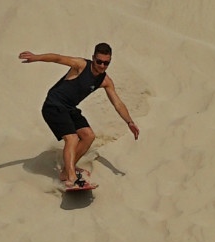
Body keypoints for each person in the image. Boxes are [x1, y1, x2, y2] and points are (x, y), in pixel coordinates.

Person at [18, 43, 139, 188]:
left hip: (69, 108)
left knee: (88, 136)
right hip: (53, 105)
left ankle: (65, 172)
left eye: (106, 63)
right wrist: (36, 57)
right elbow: (58, 58)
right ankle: (72, 177)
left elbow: (117, 103)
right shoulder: (81, 65)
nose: (101, 65)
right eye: (99, 61)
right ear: (93, 58)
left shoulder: (105, 81)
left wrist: (130, 122)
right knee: (72, 138)